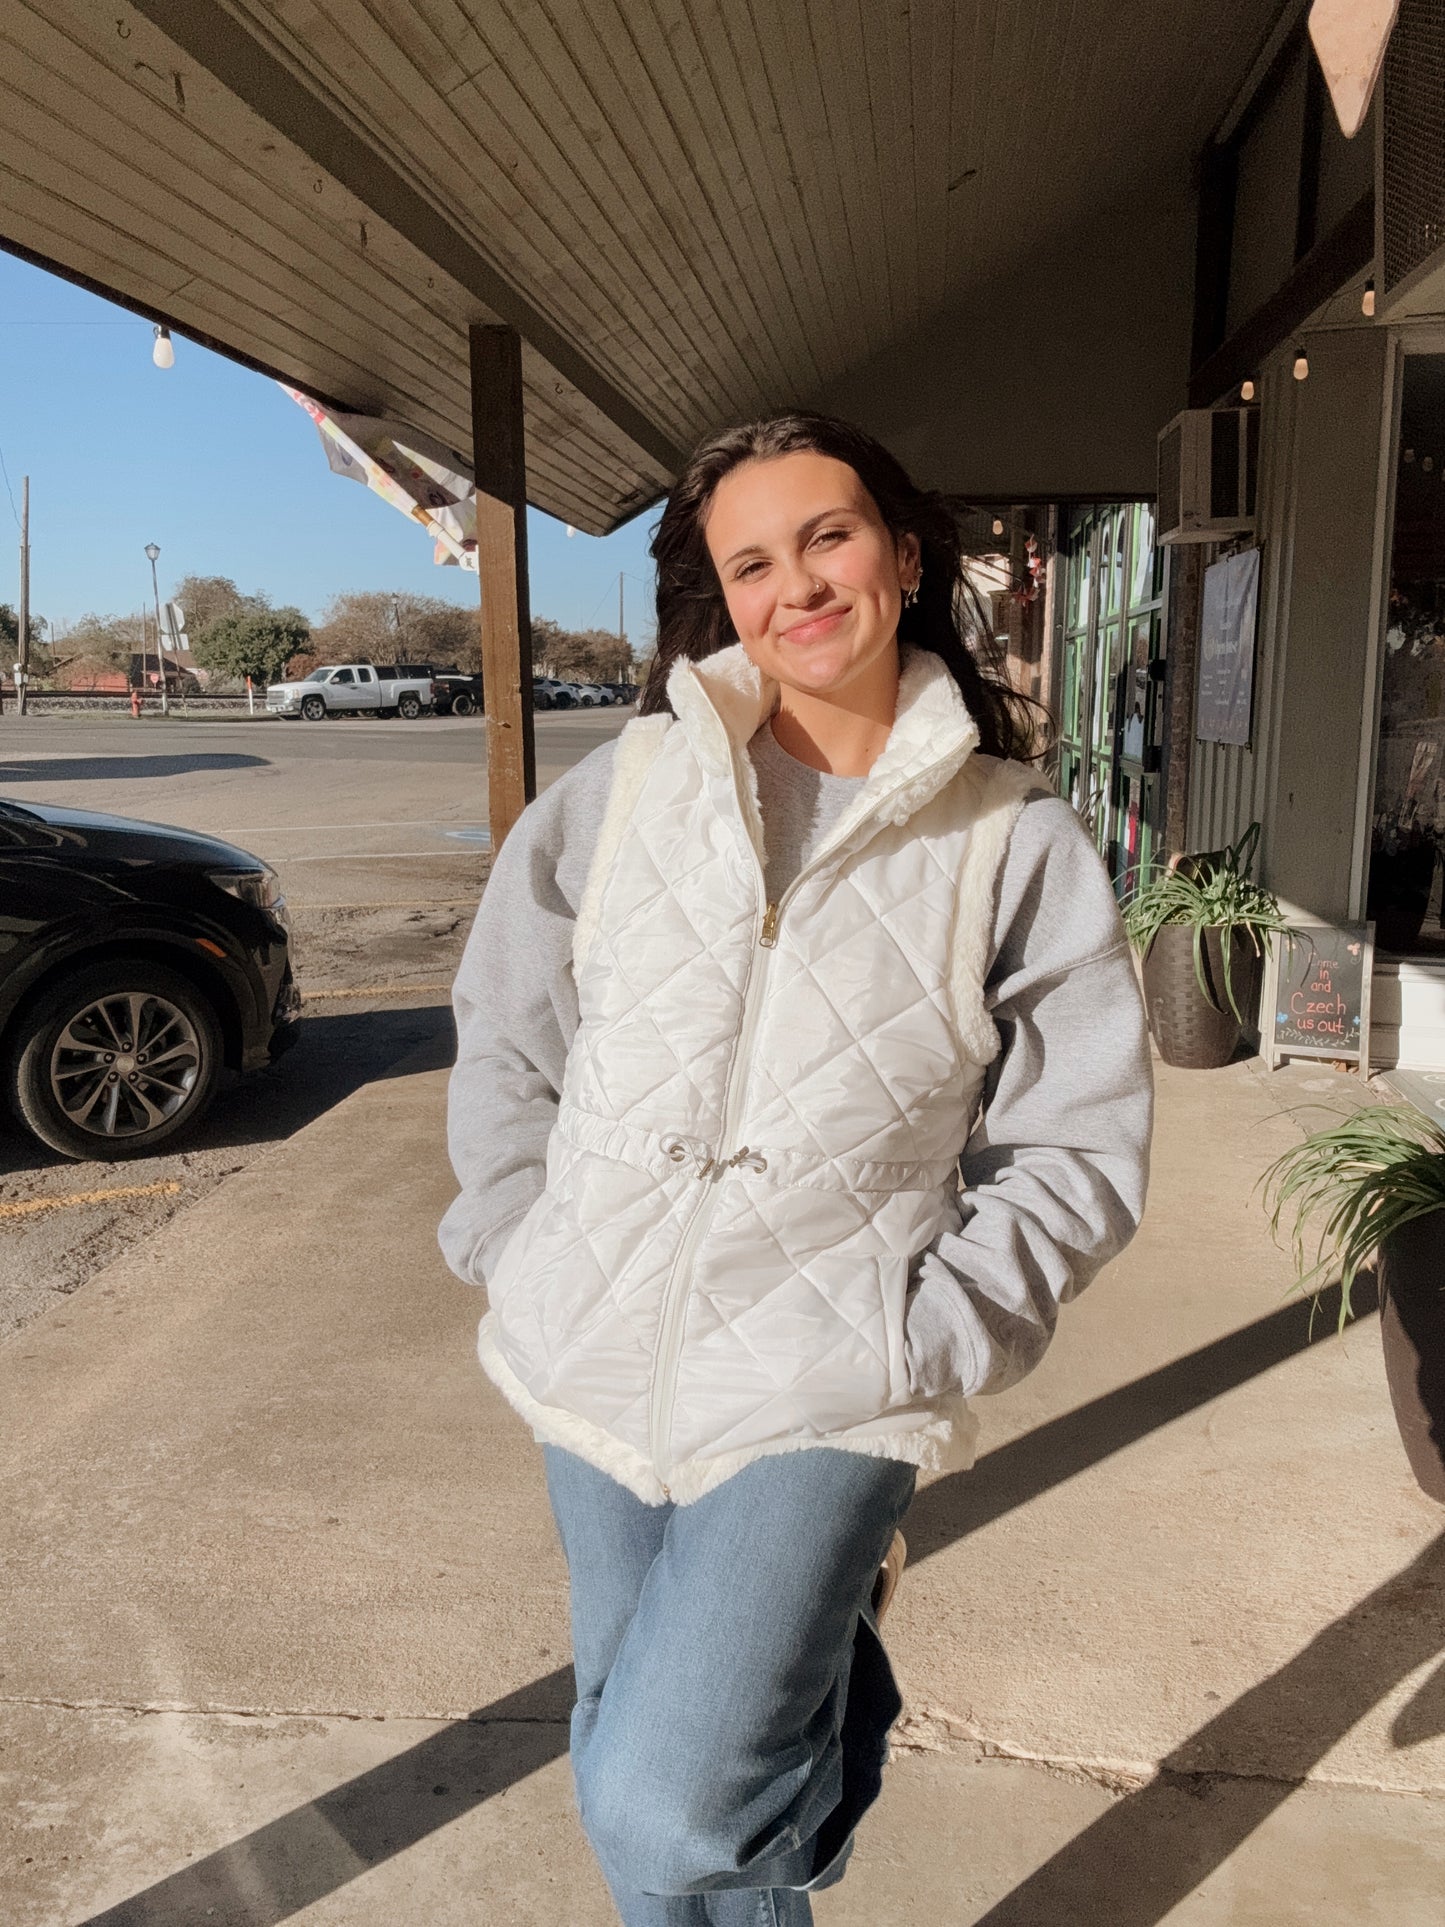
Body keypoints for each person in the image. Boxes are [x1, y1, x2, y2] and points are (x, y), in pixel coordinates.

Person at [440, 412, 1154, 1924]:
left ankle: (818, 1674)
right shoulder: (619, 793)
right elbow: (508, 1032)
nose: (797, 587)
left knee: (662, 1796)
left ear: (901, 553)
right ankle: (815, 1697)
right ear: (719, 596)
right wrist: (515, 1239)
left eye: (826, 537)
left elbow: (1075, 1136)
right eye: (749, 563)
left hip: (831, 1370)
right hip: (595, 1338)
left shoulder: (1009, 837)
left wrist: (934, 1330)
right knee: (645, 1778)